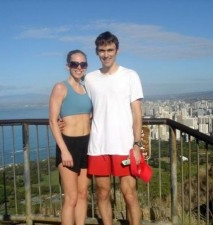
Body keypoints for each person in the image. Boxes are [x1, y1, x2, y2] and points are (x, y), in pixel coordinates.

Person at [85, 31, 144, 225]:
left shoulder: (130, 75)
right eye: (102, 50)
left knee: (129, 194)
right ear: (97, 52)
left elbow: (137, 112)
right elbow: (85, 108)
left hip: (124, 144)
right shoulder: (90, 79)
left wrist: (136, 144)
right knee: (102, 193)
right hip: (98, 145)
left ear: (117, 50)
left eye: (110, 50)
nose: (106, 54)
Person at [49, 49, 93, 225]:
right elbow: (53, 121)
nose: (79, 67)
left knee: (83, 195)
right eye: (75, 64)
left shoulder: (87, 88)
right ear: (68, 66)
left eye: (83, 64)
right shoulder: (60, 87)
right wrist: (64, 151)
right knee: (71, 198)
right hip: (68, 144)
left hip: (87, 144)